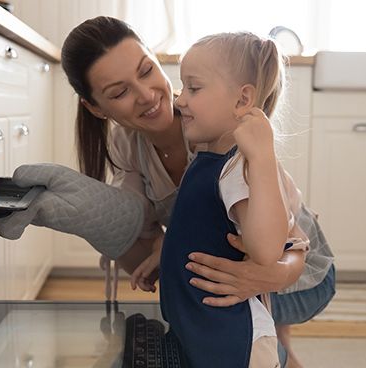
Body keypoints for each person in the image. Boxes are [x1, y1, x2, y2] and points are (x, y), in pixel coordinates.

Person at [59, 16, 335, 367]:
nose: (148, 96)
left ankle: (279, 343)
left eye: (147, 71)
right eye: (119, 92)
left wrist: (268, 275)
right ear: (96, 108)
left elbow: (288, 244)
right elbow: (135, 233)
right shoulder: (132, 144)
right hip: (240, 264)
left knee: (249, 332)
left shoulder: (228, 141)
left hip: (300, 273)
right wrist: (166, 244)